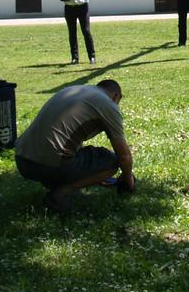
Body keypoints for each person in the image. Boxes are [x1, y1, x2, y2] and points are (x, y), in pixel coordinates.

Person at [14, 78, 134, 213]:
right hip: (48, 165)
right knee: (111, 161)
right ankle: (61, 193)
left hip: (22, 160)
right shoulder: (108, 104)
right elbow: (124, 157)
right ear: (117, 96)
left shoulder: (74, 90)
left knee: (72, 152)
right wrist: (128, 177)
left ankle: (58, 183)